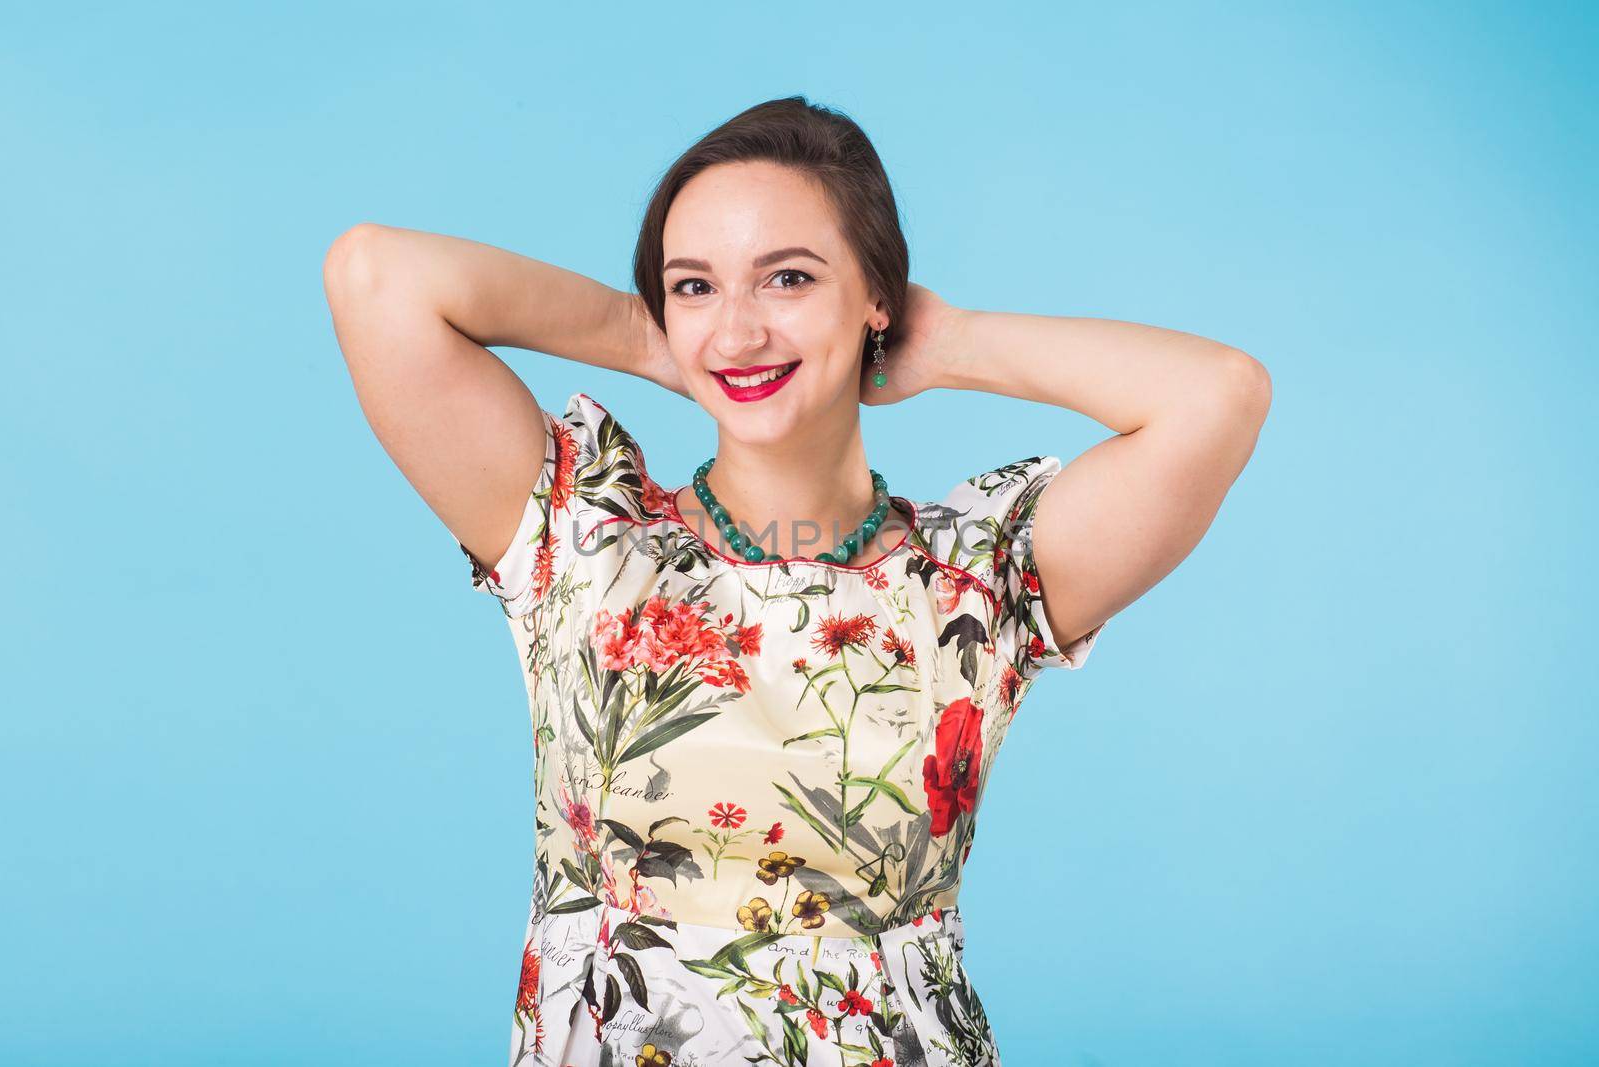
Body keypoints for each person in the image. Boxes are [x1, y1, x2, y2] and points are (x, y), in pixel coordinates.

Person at [323, 96, 1270, 1067]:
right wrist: (641, 332)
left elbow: (1218, 396)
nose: (737, 331)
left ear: (873, 296)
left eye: (787, 278)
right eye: (694, 285)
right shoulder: (583, 537)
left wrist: (947, 342)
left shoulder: (974, 583)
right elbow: (374, 274)